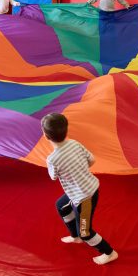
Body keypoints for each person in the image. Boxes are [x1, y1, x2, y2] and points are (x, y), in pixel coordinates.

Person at [42, 113, 118, 265]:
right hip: (82, 189)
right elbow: (92, 159)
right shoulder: (75, 143)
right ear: (66, 131)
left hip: (86, 197)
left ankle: (109, 252)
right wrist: (80, 173)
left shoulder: (52, 159)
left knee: (86, 233)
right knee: (61, 206)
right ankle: (75, 235)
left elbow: (53, 177)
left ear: (46, 136)